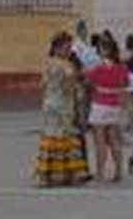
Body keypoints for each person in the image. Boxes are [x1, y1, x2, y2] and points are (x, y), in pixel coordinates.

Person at [34, 33, 90, 186]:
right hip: (63, 105)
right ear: (58, 48)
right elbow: (68, 87)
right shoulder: (66, 65)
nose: (69, 51)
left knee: (51, 136)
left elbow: (42, 85)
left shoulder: (48, 63)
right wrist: (77, 87)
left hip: (49, 104)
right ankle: (66, 174)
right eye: (67, 47)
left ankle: (48, 175)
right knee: (65, 136)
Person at [84, 35, 130, 182]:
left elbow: (88, 81)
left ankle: (100, 173)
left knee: (100, 141)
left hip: (100, 103)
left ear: (104, 50)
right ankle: (118, 172)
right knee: (114, 140)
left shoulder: (99, 68)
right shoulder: (122, 67)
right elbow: (126, 83)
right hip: (115, 104)